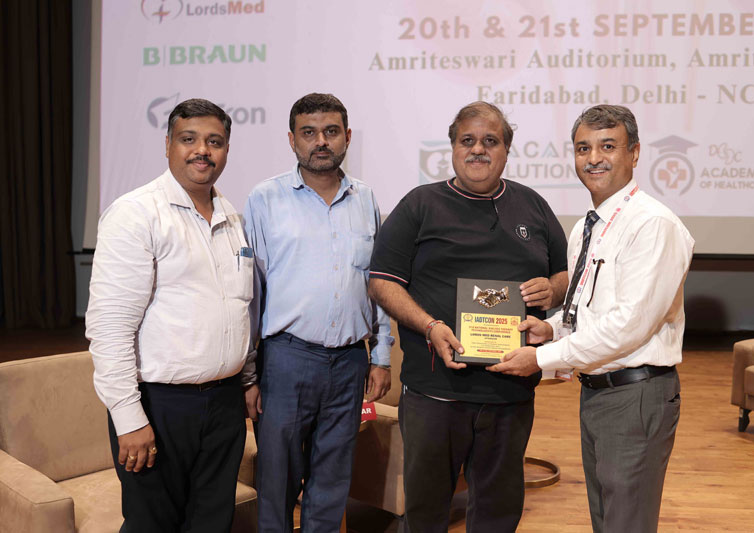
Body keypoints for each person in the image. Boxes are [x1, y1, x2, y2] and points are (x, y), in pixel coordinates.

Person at [489, 104, 695, 533]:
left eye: (608, 146)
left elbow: (628, 326)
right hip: (598, 392)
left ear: (634, 153)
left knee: (626, 523)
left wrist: (541, 359)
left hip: (635, 396)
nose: (593, 158)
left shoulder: (653, 225)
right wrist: (551, 328)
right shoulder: (588, 225)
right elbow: (589, 306)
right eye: (583, 148)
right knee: (607, 520)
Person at [368, 101, 568, 532]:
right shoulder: (420, 204)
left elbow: (566, 275)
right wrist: (430, 326)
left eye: (490, 141)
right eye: (468, 140)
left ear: (507, 149)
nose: (478, 149)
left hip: (510, 394)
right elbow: (382, 282)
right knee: (424, 515)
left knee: (498, 515)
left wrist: (553, 289)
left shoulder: (532, 205)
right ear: (453, 147)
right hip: (435, 395)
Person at [86, 98, 257, 532]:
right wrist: (129, 419)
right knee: (152, 525)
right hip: (159, 405)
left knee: (212, 523)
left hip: (224, 404)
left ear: (227, 150)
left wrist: (247, 379)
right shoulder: (135, 213)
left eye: (214, 141)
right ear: (167, 145)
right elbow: (109, 328)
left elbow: (237, 309)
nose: (202, 150)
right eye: (189, 139)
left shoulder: (232, 217)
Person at [243, 93, 393, 533]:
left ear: (347, 137)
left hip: (349, 362)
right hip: (286, 360)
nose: (321, 142)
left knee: (332, 481)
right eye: (309, 133)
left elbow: (378, 283)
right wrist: (248, 374)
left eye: (331, 132)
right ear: (292, 140)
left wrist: (381, 355)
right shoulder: (264, 199)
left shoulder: (366, 199)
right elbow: (249, 292)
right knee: (277, 480)